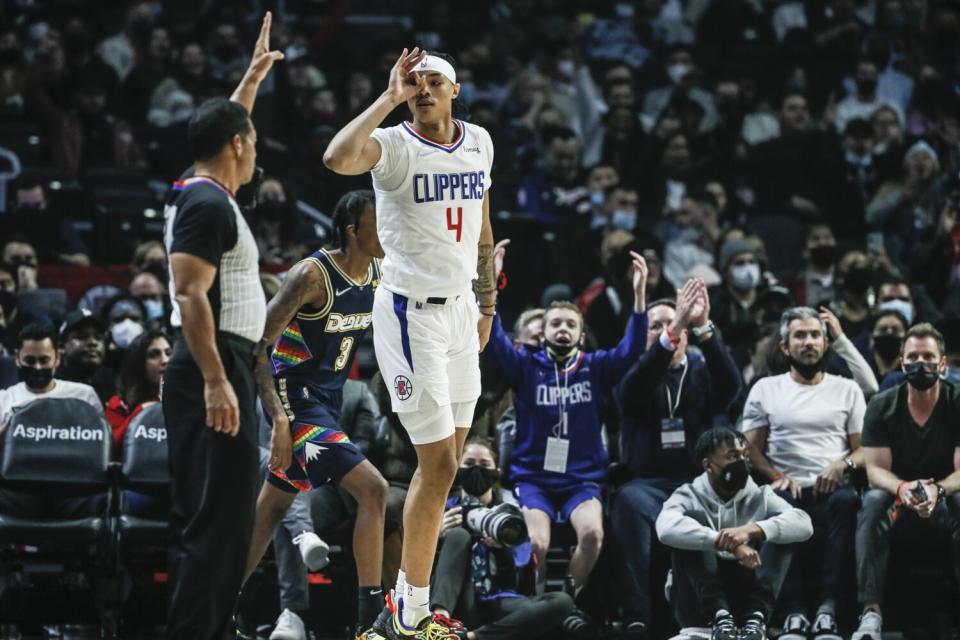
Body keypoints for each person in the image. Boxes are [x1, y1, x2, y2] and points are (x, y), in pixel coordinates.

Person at [323, 48, 498, 640]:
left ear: (454, 90)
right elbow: (336, 156)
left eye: (432, 83)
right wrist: (387, 97)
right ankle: (411, 609)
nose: (422, 90)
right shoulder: (393, 144)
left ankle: (401, 609)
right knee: (440, 462)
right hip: (407, 314)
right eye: (414, 83)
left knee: (445, 467)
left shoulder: (479, 141)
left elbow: (483, 225)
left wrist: (488, 304)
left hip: (460, 313)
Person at [160, 14, 282, 639]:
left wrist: (250, 80)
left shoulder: (199, 188)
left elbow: (225, 126)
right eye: (252, 139)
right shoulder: (206, 201)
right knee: (217, 525)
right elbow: (188, 293)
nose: (255, 148)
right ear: (238, 145)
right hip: (213, 366)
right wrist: (215, 379)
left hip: (220, 363)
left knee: (222, 521)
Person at [243, 190, 390, 637]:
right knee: (374, 490)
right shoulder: (311, 275)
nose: (389, 228)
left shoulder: (378, 274)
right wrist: (279, 420)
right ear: (353, 230)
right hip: (294, 399)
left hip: (327, 400)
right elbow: (257, 347)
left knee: (268, 513)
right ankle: (371, 621)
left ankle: (216, 606)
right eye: (379, 221)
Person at [485, 242, 648, 628]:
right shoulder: (526, 367)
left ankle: (567, 599)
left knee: (592, 534)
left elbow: (631, 349)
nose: (562, 329)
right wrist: (490, 285)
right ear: (544, 332)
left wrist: (639, 297)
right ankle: (538, 608)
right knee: (536, 543)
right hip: (534, 479)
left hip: (582, 480)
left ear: (580, 333)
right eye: (555, 324)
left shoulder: (595, 367)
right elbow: (493, 341)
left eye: (570, 325)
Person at [612, 279, 742, 639]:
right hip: (646, 485)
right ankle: (637, 616)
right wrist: (677, 324)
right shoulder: (634, 371)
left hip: (692, 484)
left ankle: (714, 616)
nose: (668, 330)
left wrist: (702, 326)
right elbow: (631, 393)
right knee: (627, 503)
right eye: (656, 325)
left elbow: (732, 387)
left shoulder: (700, 371)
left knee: (700, 508)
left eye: (674, 323)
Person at [741, 307, 867, 638]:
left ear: (826, 343)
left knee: (847, 503)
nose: (808, 342)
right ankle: (793, 613)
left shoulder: (846, 388)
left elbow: (864, 449)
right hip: (787, 487)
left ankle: (828, 611)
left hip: (833, 488)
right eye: (800, 335)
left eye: (815, 335)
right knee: (778, 503)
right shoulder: (766, 388)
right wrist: (774, 474)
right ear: (785, 346)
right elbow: (750, 447)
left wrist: (842, 465)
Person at [854, 323, 960, 640]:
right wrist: (903, 489)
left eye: (929, 356)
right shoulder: (882, 405)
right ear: (902, 363)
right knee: (872, 501)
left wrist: (937, 490)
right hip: (899, 505)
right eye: (912, 356)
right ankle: (870, 612)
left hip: (944, 503)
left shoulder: (957, 402)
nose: (920, 363)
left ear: (943, 364)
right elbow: (875, 471)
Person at [656, 428, 814, 640]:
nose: (741, 462)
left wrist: (751, 530)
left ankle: (755, 619)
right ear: (708, 465)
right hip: (698, 605)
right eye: (732, 456)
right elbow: (665, 528)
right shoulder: (688, 494)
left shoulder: (761, 494)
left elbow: (804, 524)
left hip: (745, 597)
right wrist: (727, 543)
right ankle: (719, 617)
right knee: (691, 519)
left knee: (782, 527)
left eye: (744, 455)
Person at [430, 439, 574, 640]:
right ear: (457, 468)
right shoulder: (441, 511)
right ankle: (439, 624)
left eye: (484, 464)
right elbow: (421, 574)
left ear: (496, 471)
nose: (477, 470)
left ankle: (472, 637)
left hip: (496, 601)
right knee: (458, 535)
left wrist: (501, 549)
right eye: (469, 463)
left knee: (562, 602)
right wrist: (437, 541)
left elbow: (514, 584)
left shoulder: (508, 519)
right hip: (457, 601)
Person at [0, 323, 103, 430]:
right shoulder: (4, 401)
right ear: (17, 358)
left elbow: (101, 441)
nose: (37, 367)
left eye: (44, 360)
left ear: (57, 358)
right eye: (30, 361)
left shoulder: (84, 396)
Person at [104, 328, 170, 447]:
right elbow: (112, 445)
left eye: (168, 353)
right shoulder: (119, 404)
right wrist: (142, 412)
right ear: (138, 363)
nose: (165, 360)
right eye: (154, 355)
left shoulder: (185, 400)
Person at [57, 309, 116, 403]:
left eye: (98, 337)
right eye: (81, 336)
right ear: (61, 346)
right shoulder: (52, 383)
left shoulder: (112, 380)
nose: (93, 342)